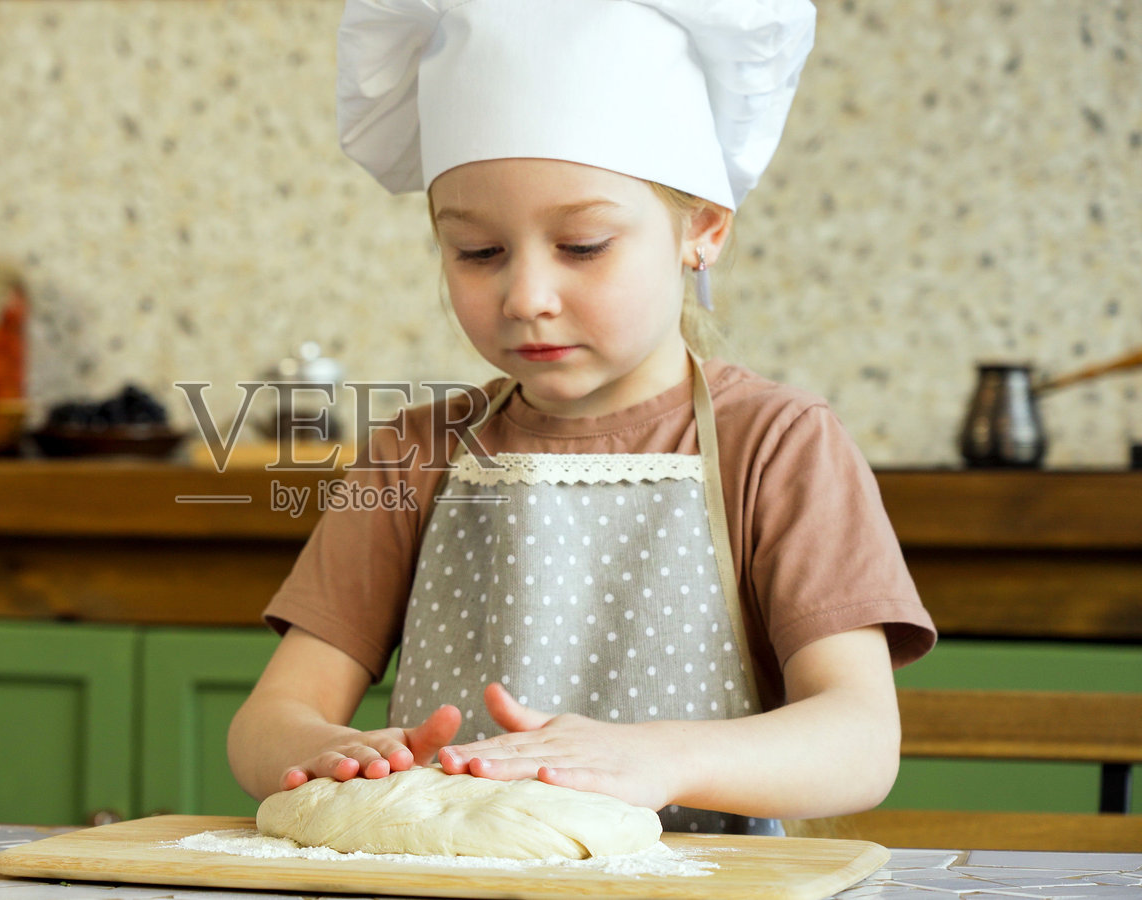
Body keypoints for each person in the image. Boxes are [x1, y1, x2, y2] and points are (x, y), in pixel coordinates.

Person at [228, 0, 936, 836]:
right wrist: (326, 750)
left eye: (583, 246)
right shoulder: (414, 451)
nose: (526, 296)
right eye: (478, 252)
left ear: (703, 230)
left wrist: (660, 758)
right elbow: (266, 722)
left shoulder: (778, 445)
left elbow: (859, 741)